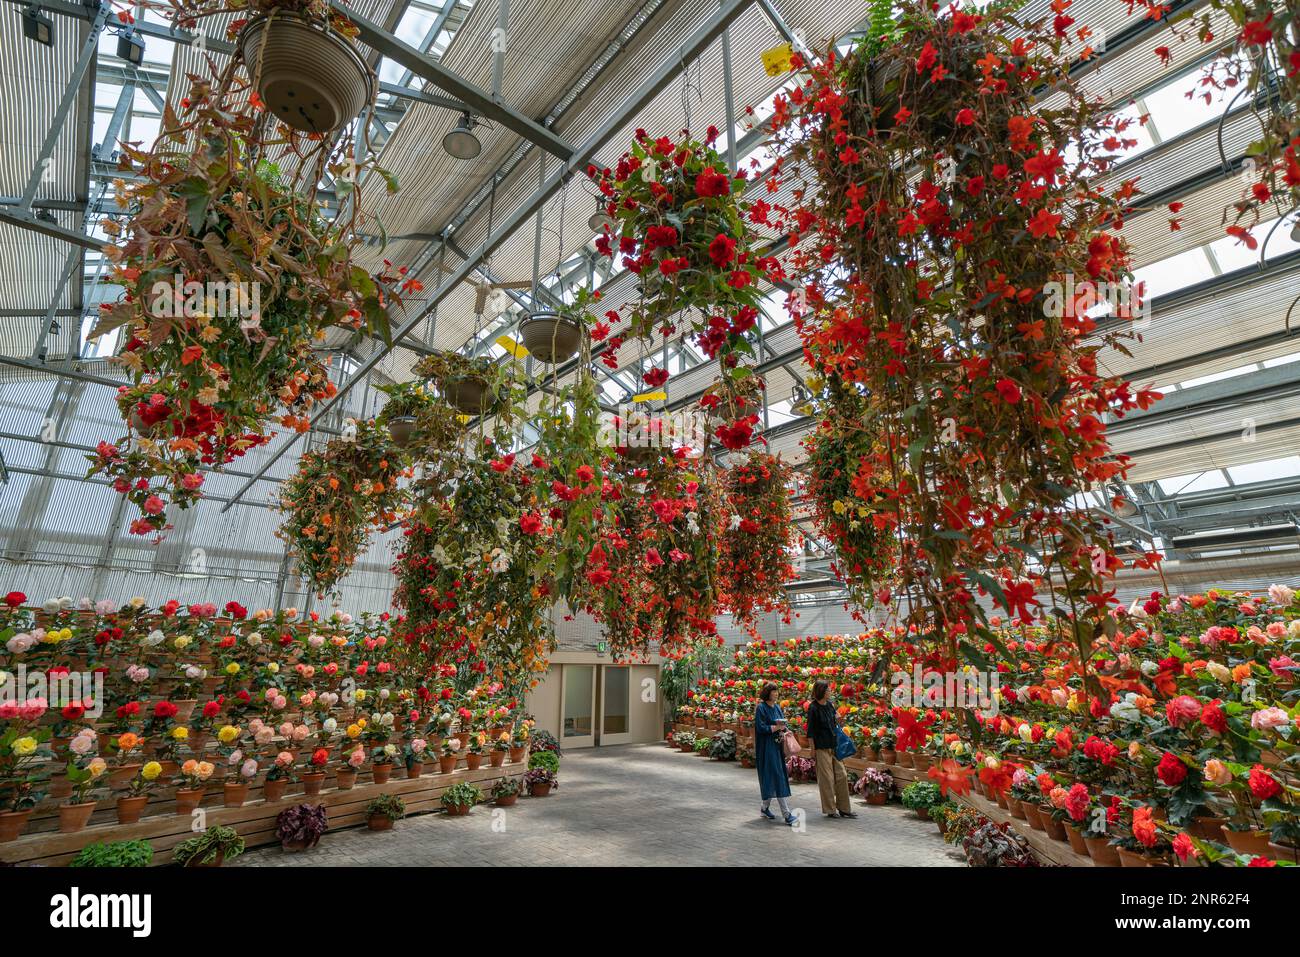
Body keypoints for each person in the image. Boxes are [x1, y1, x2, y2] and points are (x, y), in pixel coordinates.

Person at [806, 679, 856, 819]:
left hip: (834, 746)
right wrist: (812, 749)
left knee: (842, 775)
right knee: (827, 779)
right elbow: (810, 731)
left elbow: (836, 721)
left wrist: (840, 719)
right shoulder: (813, 708)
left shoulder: (829, 705)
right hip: (821, 747)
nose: (830, 692)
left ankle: (844, 809)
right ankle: (830, 810)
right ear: (821, 691)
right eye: (828, 690)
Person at [753, 682, 797, 825]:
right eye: (773, 692)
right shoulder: (761, 708)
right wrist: (776, 727)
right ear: (767, 693)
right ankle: (786, 814)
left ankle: (764, 807)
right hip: (767, 747)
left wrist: (785, 730)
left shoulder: (777, 707)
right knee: (777, 776)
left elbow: (782, 724)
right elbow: (760, 728)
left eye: (777, 692)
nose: (776, 694)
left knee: (773, 776)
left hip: (777, 746)